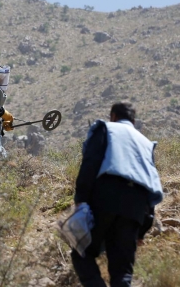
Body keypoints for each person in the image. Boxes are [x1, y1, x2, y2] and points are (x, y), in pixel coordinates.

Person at [71, 102, 163, 287]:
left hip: (105, 197)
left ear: (112, 116)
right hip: (135, 206)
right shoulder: (145, 142)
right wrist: (143, 228)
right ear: (133, 121)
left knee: (82, 253)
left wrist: (81, 200)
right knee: (122, 273)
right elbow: (150, 183)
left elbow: (90, 163)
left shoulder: (106, 129)